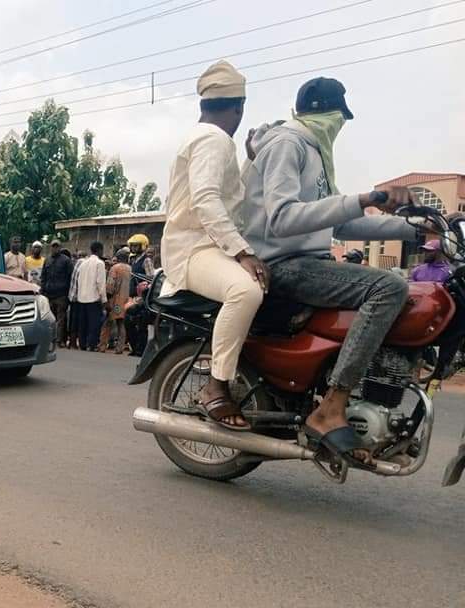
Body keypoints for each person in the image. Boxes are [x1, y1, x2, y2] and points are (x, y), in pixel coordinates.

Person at [241, 76, 419, 467]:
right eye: (341, 118)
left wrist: (415, 229)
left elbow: (337, 225)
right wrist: (361, 199)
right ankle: (332, 406)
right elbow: (283, 218)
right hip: (281, 264)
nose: (340, 127)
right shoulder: (289, 144)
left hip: (310, 262)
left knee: (406, 289)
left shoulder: (315, 151)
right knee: (388, 288)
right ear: (329, 114)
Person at [161, 60, 269, 431]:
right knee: (246, 291)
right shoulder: (213, 140)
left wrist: (250, 158)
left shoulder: (209, 139)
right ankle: (216, 387)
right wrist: (244, 252)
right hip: (195, 250)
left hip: (208, 247)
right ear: (239, 107)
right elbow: (207, 199)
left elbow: (230, 197)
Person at [74, 241, 107, 351]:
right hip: (93, 298)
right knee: (94, 323)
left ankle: (82, 344)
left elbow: (78, 280)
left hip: (82, 297)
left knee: (83, 323)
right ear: (99, 250)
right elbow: (100, 283)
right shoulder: (100, 263)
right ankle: (91, 345)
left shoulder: (83, 263)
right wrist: (104, 299)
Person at [40, 239, 73, 347]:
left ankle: (58, 341)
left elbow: (70, 278)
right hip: (49, 294)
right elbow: (43, 276)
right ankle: (50, 339)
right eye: (53, 246)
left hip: (61, 295)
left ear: (60, 247)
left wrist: (68, 294)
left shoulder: (66, 261)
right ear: (51, 247)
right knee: (50, 319)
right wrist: (43, 290)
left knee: (60, 319)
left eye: (57, 246)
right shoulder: (47, 260)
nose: (55, 248)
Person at [99, 248, 132, 354]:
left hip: (115, 300)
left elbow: (110, 286)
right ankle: (120, 347)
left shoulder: (115, 268)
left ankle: (102, 346)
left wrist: (106, 299)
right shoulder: (130, 268)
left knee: (107, 323)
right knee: (121, 323)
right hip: (125, 300)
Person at [67, 250, 87, 348]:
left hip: (73, 296)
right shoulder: (82, 263)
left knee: (73, 321)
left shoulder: (77, 264)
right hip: (79, 297)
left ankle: (72, 342)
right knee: (78, 321)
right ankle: (75, 342)